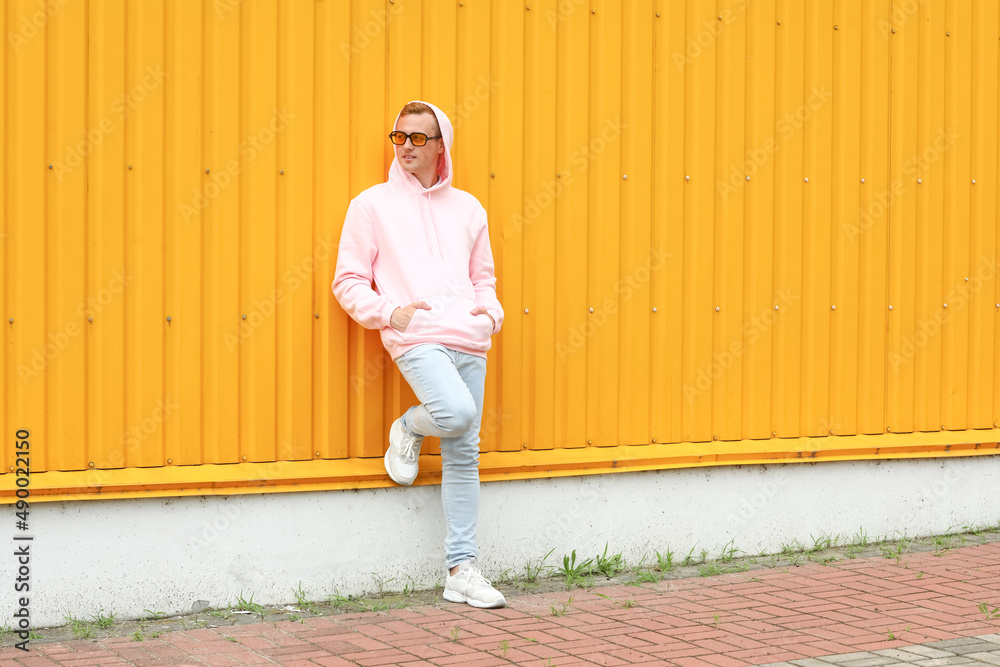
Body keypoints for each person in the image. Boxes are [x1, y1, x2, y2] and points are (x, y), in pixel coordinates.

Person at [332, 100, 506, 609]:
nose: (406, 146)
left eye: (417, 138)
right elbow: (347, 281)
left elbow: (484, 277)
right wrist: (389, 313)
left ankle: (461, 570)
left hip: (470, 336)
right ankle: (408, 427)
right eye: (398, 137)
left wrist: (489, 312)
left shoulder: (470, 208)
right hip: (417, 336)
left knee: (463, 451)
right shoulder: (371, 205)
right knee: (455, 415)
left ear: (440, 145)